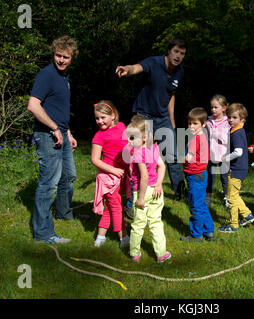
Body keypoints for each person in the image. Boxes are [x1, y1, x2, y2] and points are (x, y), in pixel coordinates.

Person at [115, 38, 188, 201]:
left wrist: (172, 120)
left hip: (163, 117)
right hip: (143, 116)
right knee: (139, 155)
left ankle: (180, 193)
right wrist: (127, 69)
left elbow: (171, 95)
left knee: (173, 156)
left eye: (182, 53)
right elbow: (137, 67)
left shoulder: (179, 71)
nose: (178, 56)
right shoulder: (154, 62)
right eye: (176, 51)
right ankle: (130, 195)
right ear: (169, 51)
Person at [27, 35, 79, 244]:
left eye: (65, 57)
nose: (61, 60)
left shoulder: (64, 76)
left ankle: (64, 213)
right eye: (58, 55)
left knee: (68, 176)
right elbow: (33, 105)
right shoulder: (46, 75)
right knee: (48, 183)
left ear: (72, 58)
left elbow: (57, 108)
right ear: (53, 54)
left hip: (62, 134)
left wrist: (67, 132)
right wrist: (54, 128)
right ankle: (43, 233)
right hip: (48, 135)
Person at [125, 115, 171, 262]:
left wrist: (140, 198)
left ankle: (134, 253)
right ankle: (161, 254)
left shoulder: (139, 153)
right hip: (156, 191)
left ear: (144, 137)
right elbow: (162, 166)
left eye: (132, 138)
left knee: (138, 224)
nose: (129, 141)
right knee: (156, 222)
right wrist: (159, 184)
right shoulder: (154, 147)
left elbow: (144, 177)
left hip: (143, 191)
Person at [91, 100, 130, 249]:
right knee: (116, 208)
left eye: (103, 117)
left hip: (122, 175)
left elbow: (128, 147)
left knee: (112, 207)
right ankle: (124, 238)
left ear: (113, 116)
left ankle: (100, 237)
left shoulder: (122, 127)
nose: (100, 121)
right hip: (109, 177)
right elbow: (94, 159)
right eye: (97, 118)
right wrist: (113, 170)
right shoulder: (99, 136)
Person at [218, 103, 254, 233]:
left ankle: (233, 225)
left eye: (234, 117)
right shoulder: (236, 130)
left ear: (242, 119)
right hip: (238, 168)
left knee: (231, 198)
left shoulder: (237, 133)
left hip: (236, 169)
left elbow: (238, 152)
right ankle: (247, 215)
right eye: (229, 117)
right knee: (233, 194)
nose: (231, 120)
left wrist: (225, 158)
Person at [180, 107, 215, 242]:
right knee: (201, 204)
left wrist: (176, 158)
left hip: (194, 175)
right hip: (201, 174)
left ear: (203, 124)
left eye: (195, 123)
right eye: (189, 123)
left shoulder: (195, 139)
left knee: (195, 206)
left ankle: (196, 235)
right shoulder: (202, 136)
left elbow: (188, 157)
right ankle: (209, 231)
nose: (191, 126)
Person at [205, 94, 230, 208]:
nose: (213, 109)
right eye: (212, 107)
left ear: (224, 108)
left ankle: (227, 198)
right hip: (211, 154)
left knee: (224, 178)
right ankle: (208, 197)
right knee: (210, 177)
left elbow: (228, 139)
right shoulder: (209, 120)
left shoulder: (227, 122)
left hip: (224, 155)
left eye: (216, 107)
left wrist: (217, 135)